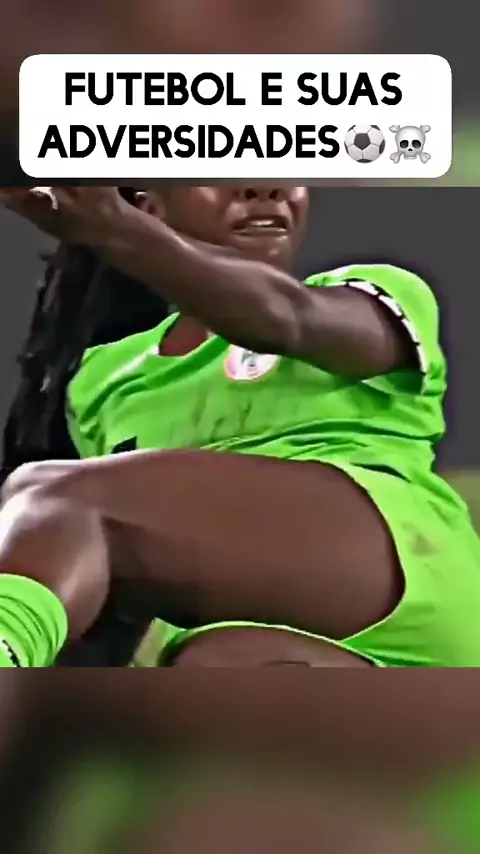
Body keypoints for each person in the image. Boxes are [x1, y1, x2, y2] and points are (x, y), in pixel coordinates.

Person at [0, 184, 479, 668]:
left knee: (54, 497)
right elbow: (109, 588)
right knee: (213, 668)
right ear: (151, 207)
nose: (263, 186)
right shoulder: (99, 380)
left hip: (398, 572)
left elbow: (286, 316)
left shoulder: (375, 293)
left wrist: (114, 227)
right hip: (385, 682)